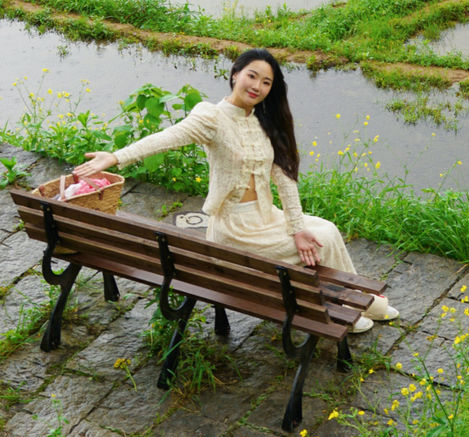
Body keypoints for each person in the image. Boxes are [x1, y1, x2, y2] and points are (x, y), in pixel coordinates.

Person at [75, 48, 398, 332]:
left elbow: (284, 180)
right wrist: (116, 157)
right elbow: (168, 137)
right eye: (252, 76)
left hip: (265, 217)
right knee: (323, 240)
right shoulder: (211, 117)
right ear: (234, 75)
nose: (257, 86)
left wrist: (297, 227)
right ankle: (351, 307)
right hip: (234, 228)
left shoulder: (263, 122)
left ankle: (356, 302)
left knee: (324, 229)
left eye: (266, 82)